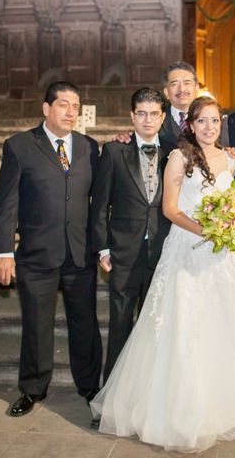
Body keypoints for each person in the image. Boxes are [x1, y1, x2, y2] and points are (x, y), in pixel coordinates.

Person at [90, 96, 235, 453]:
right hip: (187, 249)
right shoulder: (179, 156)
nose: (209, 128)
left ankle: (222, 405)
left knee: (224, 325)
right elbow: (170, 209)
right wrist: (205, 230)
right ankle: (174, 409)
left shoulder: (229, 160)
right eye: (202, 121)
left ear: (222, 125)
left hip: (223, 257)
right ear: (190, 124)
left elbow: (230, 203)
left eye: (215, 121)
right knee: (183, 325)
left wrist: (232, 225)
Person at [0, 81, 103, 417]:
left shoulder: (89, 147)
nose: (71, 112)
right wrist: (3, 252)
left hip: (79, 253)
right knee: (37, 325)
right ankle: (32, 389)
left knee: (85, 324)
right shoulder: (19, 146)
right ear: (46, 108)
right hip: (36, 255)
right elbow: (7, 204)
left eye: (76, 106)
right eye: (63, 105)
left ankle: (89, 387)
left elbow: (98, 201)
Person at [89, 87, 171, 383]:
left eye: (153, 114)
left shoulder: (175, 152)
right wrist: (103, 249)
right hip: (124, 253)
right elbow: (100, 205)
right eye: (141, 113)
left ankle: (149, 392)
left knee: (155, 326)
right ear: (132, 116)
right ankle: (111, 394)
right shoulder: (113, 151)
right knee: (120, 324)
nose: (147, 120)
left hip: (163, 253)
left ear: (163, 117)